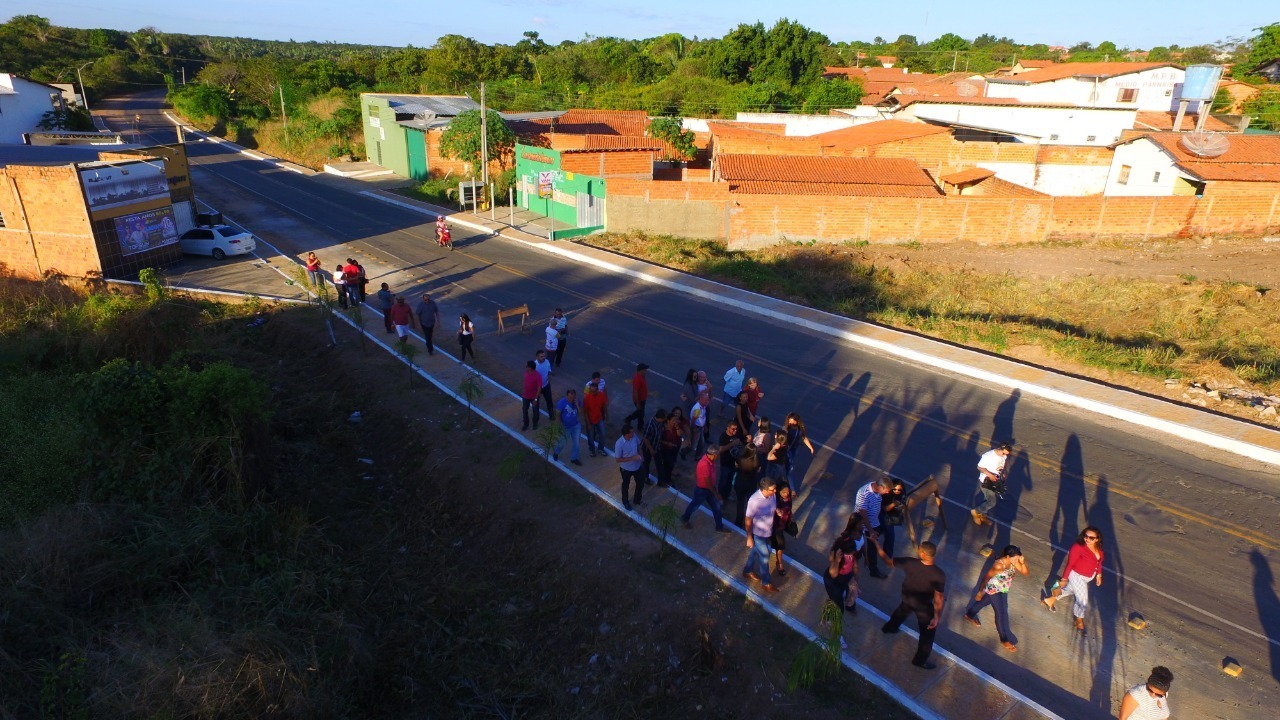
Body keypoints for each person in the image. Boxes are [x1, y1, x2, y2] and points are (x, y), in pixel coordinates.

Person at [881, 541, 947, 670]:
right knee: (927, 636)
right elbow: (939, 597)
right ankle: (919, 660)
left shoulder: (910, 562)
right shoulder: (939, 574)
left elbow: (889, 562)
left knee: (901, 612)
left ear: (923, 553)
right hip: (923, 607)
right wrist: (937, 616)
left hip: (908, 598)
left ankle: (888, 628)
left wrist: (877, 546)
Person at [963, 545, 1029, 652]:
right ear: (1008, 556)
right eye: (1015, 558)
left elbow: (1025, 573)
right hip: (993, 589)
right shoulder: (999, 565)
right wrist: (980, 591)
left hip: (1002, 588)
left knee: (984, 602)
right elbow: (986, 578)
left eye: (1017, 558)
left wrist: (1022, 562)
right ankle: (1004, 639)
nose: (1016, 560)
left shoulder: (1014, 561)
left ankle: (969, 615)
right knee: (1000, 613)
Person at [1042, 525, 1105, 635]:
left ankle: (1050, 599)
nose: (1087, 539)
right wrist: (1064, 578)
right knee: (1082, 600)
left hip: (1087, 577)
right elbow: (1070, 563)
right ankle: (1079, 621)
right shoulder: (1078, 546)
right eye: (1086, 536)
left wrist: (1099, 575)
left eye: (1091, 538)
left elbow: (1099, 562)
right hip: (1077, 575)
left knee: (1070, 590)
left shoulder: (1099, 549)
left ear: (1097, 539)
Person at [742, 477, 780, 593]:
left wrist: (777, 510)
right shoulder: (754, 501)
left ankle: (747, 570)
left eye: (775, 489)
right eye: (772, 490)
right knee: (765, 557)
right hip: (758, 533)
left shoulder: (772, 495)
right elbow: (748, 520)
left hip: (768, 530)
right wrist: (749, 537)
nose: (775, 492)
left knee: (755, 551)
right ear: (764, 489)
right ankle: (766, 582)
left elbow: (772, 505)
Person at [681, 445, 728, 533]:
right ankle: (685, 518)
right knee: (694, 506)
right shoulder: (705, 464)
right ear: (713, 454)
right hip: (702, 490)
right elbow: (707, 482)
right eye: (717, 455)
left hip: (709, 489)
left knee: (716, 507)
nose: (717, 457)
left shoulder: (709, 460)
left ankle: (719, 526)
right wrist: (716, 493)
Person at [855, 475, 892, 579]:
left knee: (873, 545)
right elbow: (863, 515)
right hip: (862, 524)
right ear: (880, 487)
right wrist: (870, 530)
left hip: (874, 521)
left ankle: (872, 567)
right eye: (886, 490)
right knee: (863, 543)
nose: (887, 492)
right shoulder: (864, 493)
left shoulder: (877, 490)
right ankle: (871, 568)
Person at [972, 442, 1013, 526]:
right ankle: (976, 511)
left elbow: (1000, 466)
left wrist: (1002, 473)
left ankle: (983, 516)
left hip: (995, 481)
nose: (1005, 455)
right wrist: (990, 475)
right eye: (1004, 453)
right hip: (986, 481)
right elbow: (979, 467)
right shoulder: (988, 456)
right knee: (991, 502)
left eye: (1007, 454)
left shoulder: (1003, 456)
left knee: (986, 499)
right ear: (1000, 449)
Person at [732, 438, 761, 529]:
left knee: (740, 502)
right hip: (751, 484)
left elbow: (736, 467)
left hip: (740, 482)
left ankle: (738, 520)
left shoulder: (740, 459)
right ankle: (749, 521)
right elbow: (758, 471)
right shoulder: (756, 462)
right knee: (750, 504)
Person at [614, 423, 644, 510]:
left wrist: (641, 455)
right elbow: (618, 459)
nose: (633, 433)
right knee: (626, 485)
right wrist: (632, 458)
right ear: (626, 434)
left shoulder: (634, 437)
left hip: (637, 466)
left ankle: (637, 500)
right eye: (631, 432)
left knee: (640, 483)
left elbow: (638, 446)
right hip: (626, 469)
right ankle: (625, 502)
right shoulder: (619, 444)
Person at [878, 477, 907, 559]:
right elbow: (885, 508)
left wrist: (900, 506)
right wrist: (894, 504)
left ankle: (886, 553)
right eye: (895, 489)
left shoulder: (902, 494)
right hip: (884, 515)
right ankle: (887, 555)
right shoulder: (886, 494)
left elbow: (904, 501)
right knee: (890, 535)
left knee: (883, 531)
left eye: (899, 490)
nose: (897, 491)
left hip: (893, 516)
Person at [770, 482, 794, 577]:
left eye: (787, 492)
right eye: (783, 492)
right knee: (780, 545)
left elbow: (789, 510)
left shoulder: (788, 499)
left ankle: (779, 562)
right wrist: (776, 510)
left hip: (782, 525)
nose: (786, 494)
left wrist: (790, 517)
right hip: (774, 525)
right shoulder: (775, 500)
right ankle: (780, 564)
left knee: (780, 545)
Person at [553, 388, 582, 466]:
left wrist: (577, 405)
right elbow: (558, 415)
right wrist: (558, 426)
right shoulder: (561, 403)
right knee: (562, 443)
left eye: (573, 397)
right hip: (566, 427)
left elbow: (581, 412)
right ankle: (556, 452)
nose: (571, 399)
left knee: (577, 443)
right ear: (567, 396)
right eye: (570, 397)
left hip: (576, 425)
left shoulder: (577, 401)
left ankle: (574, 458)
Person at [784, 412, 815, 483]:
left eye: (792, 421)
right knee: (790, 467)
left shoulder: (799, 429)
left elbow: (804, 437)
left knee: (788, 465)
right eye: (789, 421)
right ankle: (791, 487)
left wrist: (810, 447)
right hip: (786, 449)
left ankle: (786, 478)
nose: (790, 423)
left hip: (794, 449)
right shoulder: (786, 429)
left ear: (796, 421)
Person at [716, 421, 743, 500]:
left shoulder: (736, 434)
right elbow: (720, 449)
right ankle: (719, 497)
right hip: (725, 463)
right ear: (728, 428)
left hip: (734, 463)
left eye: (736, 429)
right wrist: (732, 444)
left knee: (730, 481)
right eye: (733, 429)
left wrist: (747, 439)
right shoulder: (723, 437)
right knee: (723, 481)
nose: (735, 431)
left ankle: (727, 495)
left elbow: (743, 439)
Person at [639, 408, 667, 486]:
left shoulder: (660, 423)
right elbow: (645, 438)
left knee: (659, 464)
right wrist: (651, 449)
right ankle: (645, 477)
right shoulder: (650, 424)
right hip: (647, 448)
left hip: (657, 446)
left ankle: (661, 481)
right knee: (646, 464)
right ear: (660, 418)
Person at [658, 408, 685, 487]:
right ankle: (667, 479)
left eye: (675, 420)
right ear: (668, 421)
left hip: (674, 448)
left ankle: (667, 476)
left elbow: (679, 434)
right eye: (673, 420)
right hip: (665, 449)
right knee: (669, 464)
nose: (675, 422)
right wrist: (667, 443)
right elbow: (659, 440)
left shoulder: (675, 427)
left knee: (671, 463)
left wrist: (677, 427)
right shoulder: (663, 428)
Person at [583, 379, 608, 457]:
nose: (591, 392)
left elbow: (604, 406)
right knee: (590, 437)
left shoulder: (601, 395)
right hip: (590, 420)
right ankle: (592, 450)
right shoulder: (586, 399)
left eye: (593, 391)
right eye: (590, 391)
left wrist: (607, 415)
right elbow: (585, 412)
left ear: (597, 389)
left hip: (599, 418)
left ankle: (600, 448)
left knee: (603, 434)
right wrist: (588, 423)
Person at [688, 391, 711, 460]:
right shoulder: (697, 409)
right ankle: (684, 451)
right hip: (697, 428)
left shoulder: (703, 406)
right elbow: (693, 421)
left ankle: (698, 456)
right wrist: (695, 431)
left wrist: (705, 426)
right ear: (700, 400)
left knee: (701, 443)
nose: (707, 402)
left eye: (707, 400)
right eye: (706, 400)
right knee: (694, 445)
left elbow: (702, 418)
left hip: (700, 428)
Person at [521, 360, 542, 431]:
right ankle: (525, 424)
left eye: (527, 366)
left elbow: (539, 388)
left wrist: (536, 399)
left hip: (534, 397)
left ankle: (535, 423)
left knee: (535, 412)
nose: (525, 367)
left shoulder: (538, 376)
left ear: (530, 368)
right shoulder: (527, 372)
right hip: (526, 396)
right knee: (524, 410)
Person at [534, 349, 554, 419]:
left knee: (549, 400)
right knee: (536, 403)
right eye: (541, 356)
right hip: (537, 388)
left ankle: (551, 414)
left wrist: (548, 379)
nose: (544, 358)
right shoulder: (534, 366)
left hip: (546, 385)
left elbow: (549, 371)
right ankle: (536, 419)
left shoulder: (547, 362)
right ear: (537, 357)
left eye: (544, 356)